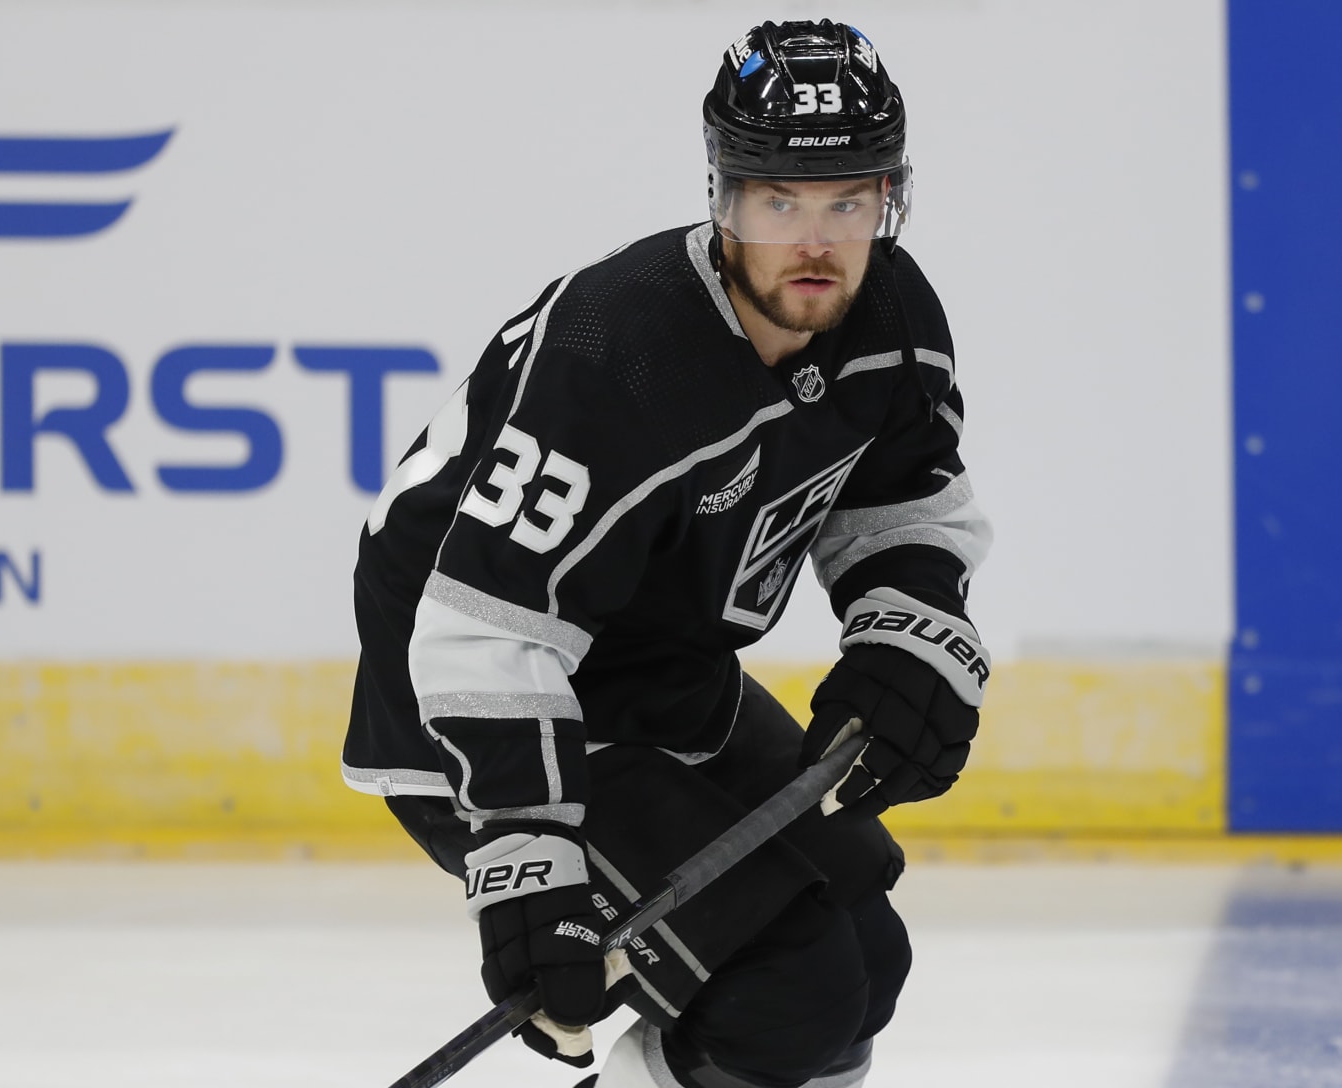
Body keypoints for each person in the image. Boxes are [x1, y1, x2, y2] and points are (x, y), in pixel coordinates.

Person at [342, 19, 992, 1088]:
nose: (815, 243)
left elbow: (903, 500)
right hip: (474, 697)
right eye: (778, 200)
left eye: (849, 201)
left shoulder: (896, 319)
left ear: (891, 197)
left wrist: (907, 637)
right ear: (724, 196)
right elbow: (481, 621)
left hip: (660, 680)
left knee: (866, 958)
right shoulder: (621, 352)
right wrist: (527, 856)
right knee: (787, 984)